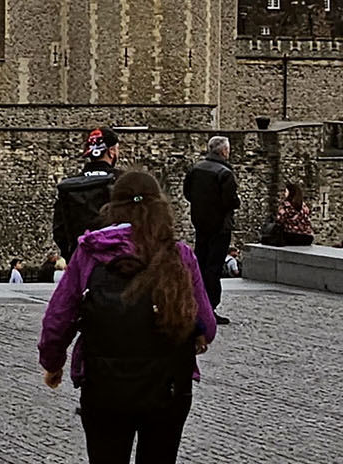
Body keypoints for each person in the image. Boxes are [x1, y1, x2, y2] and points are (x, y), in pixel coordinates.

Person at [39, 169, 217, 464]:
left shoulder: (90, 253)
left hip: (104, 384)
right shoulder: (179, 255)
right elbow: (207, 326)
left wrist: (52, 364)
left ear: (112, 208)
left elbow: (58, 319)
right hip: (168, 387)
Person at [182, 135, 240, 326]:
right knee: (213, 267)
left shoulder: (196, 169)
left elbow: (188, 193)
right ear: (224, 151)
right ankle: (209, 308)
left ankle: (196, 303)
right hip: (220, 226)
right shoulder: (225, 173)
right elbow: (230, 200)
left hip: (201, 222)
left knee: (200, 263)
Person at [55, 126, 122, 261]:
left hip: (82, 259)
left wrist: (72, 257)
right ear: (112, 151)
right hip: (117, 261)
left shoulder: (69, 186)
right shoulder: (124, 181)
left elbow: (59, 230)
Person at [268, 182, 314, 247]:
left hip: (291, 236)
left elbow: (279, 220)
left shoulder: (287, 205)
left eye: (286, 191)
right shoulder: (304, 206)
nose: (284, 193)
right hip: (307, 238)